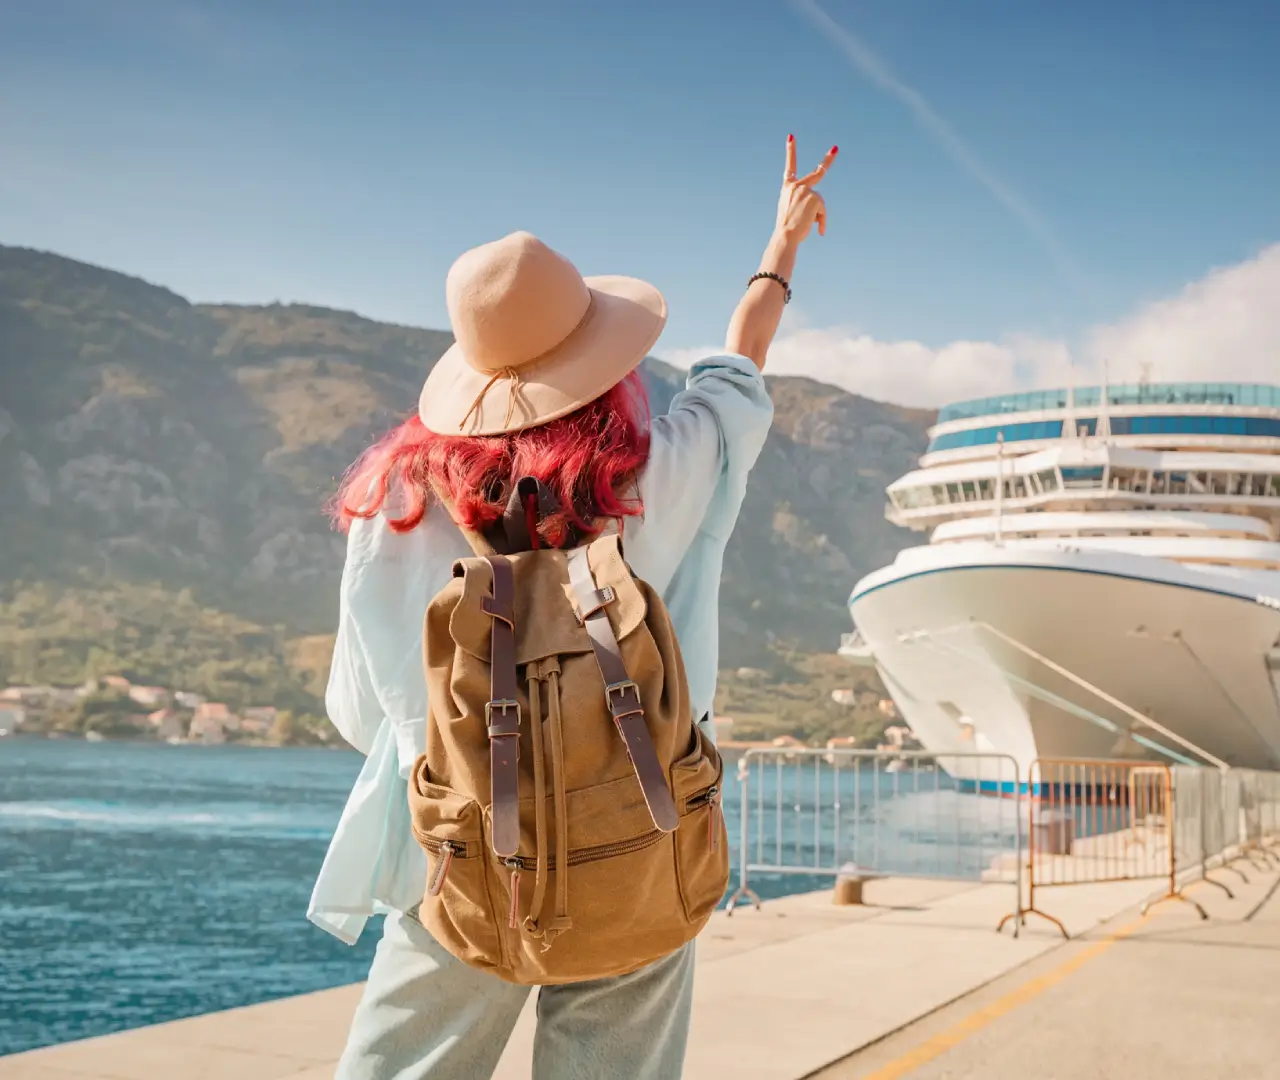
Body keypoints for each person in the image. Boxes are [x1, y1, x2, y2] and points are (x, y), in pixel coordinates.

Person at [309, 135, 838, 1080]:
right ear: (604, 360)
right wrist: (780, 248)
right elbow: (737, 368)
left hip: (462, 863)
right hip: (639, 845)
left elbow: (362, 714)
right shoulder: (663, 473)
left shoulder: (397, 508)